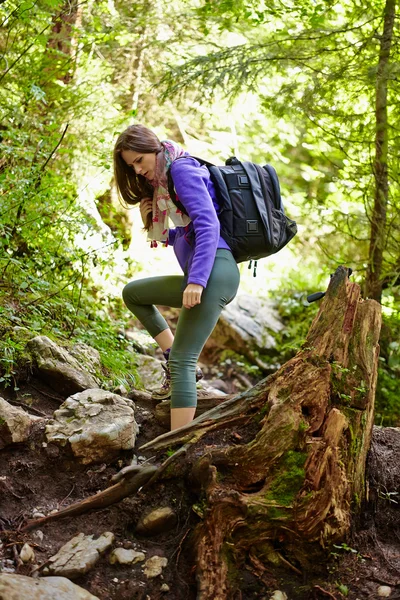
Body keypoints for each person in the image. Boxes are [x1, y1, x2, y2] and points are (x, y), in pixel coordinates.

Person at [114, 124, 240, 431]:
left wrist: (197, 280)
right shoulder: (166, 180)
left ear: (154, 149)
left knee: (184, 361)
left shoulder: (181, 171)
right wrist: (151, 225)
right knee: (134, 293)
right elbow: (187, 234)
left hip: (214, 272)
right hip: (204, 271)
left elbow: (209, 225)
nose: (138, 169)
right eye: (131, 165)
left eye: (139, 161)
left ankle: (175, 446)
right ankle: (172, 356)